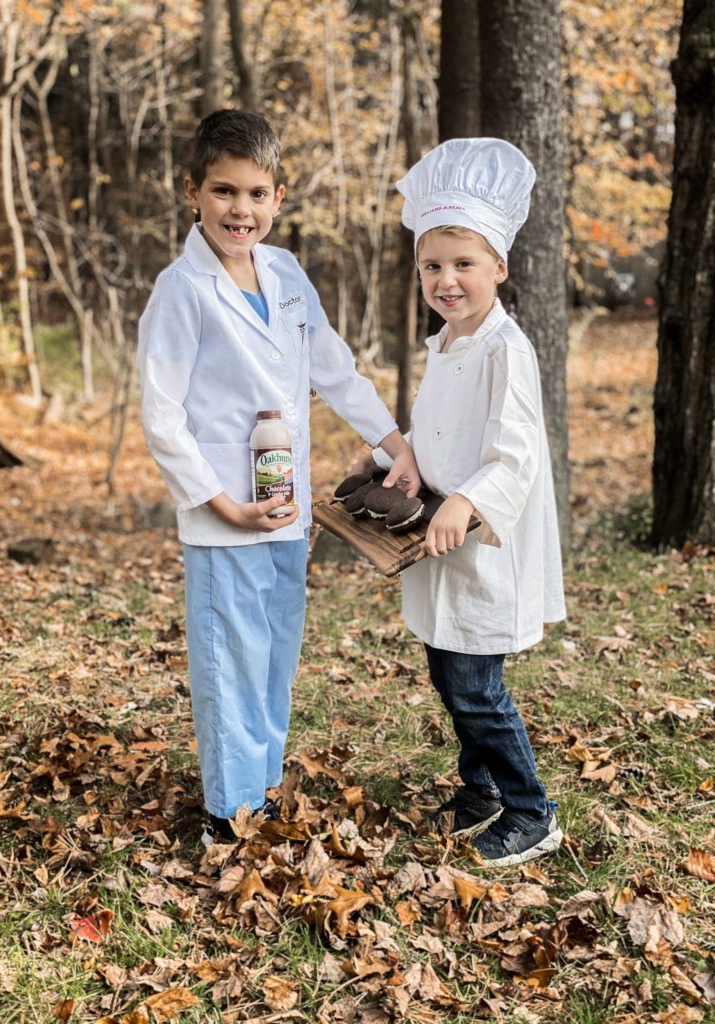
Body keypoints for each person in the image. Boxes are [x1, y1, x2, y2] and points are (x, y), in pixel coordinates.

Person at [138, 109, 420, 844]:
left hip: (285, 508)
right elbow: (161, 416)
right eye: (225, 192)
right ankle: (226, 817)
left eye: (258, 193)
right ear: (192, 191)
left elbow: (334, 370)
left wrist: (397, 446)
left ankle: (260, 790)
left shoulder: (287, 272)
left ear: (280, 197)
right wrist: (222, 504)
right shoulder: (182, 290)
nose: (242, 210)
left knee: (274, 654)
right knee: (229, 660)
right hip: (226, 515)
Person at [355, 138, 566, 866]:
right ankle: (479, 789)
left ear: (499, 268)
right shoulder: (446, 342)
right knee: (448, 670)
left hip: (479, 541)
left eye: (464, 265)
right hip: (435, 540)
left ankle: (533, 809)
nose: (447, 280)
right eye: (432, 266)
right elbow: (434, 429)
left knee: (477, 683)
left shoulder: (508, 349)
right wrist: (395, 460)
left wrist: (466, 502)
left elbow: (516, 451)